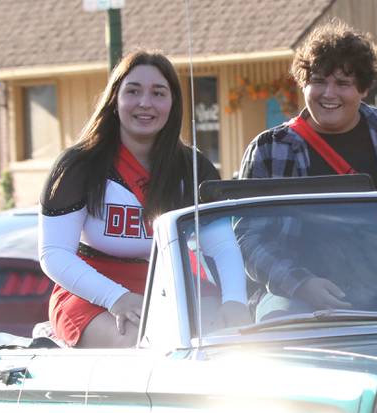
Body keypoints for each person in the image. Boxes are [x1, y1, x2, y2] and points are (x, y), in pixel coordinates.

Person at [39, 51, 249, 348]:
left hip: (169, 285)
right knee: (146, 344)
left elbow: (222, 245)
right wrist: (117, 298)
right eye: (133, 91)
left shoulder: (192, 166)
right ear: (115, 100)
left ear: (173, 102)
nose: (145, 103)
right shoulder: (79, 165)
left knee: (232, 343)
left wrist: (235, 302)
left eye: (158, 93)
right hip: (91, 292)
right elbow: (54, 254)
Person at [236, 19, 377, 319]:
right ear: (303, 83)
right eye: (319, 81)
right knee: (274, 334)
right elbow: (247, 237)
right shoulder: (269, 149)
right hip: (296, 292)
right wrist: (300, 283)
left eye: (343, 83)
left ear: (364, 88)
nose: (329, 94)